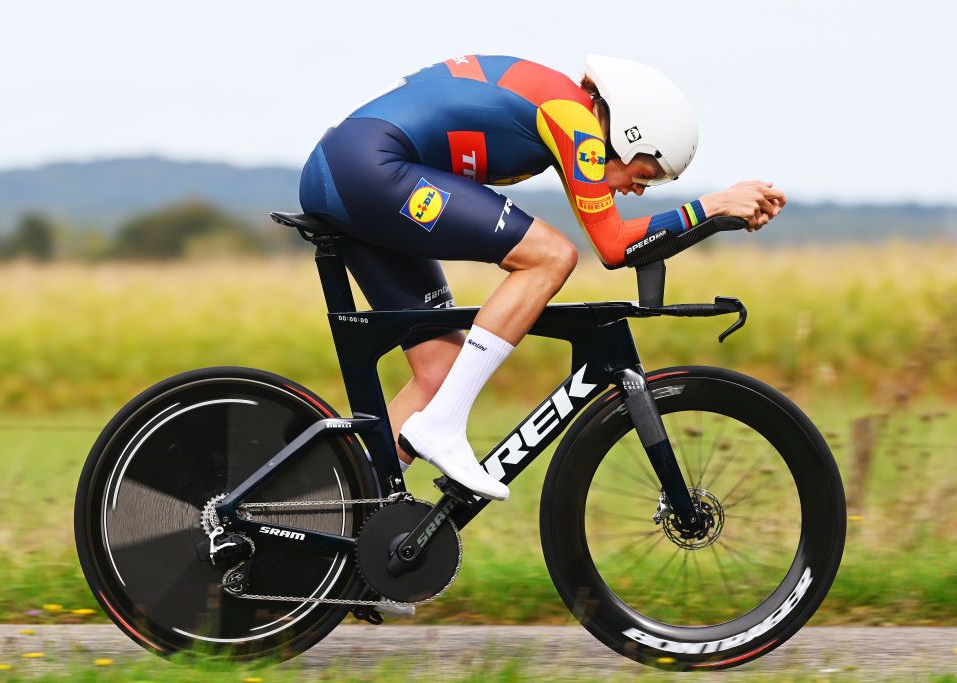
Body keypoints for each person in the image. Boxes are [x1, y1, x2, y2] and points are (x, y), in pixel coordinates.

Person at [299, 54, 785, 501]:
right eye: (645, 174)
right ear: (630, 134)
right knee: (550, 257)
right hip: (367, 167)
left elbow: (626, 238)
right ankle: (442, 427)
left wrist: (711, 216)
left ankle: (341, 520)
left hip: (355, 168)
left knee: (439, 371)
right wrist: (715, 205)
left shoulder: (565, 115)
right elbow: (614, 246)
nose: (639, 190)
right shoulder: (574, 120)